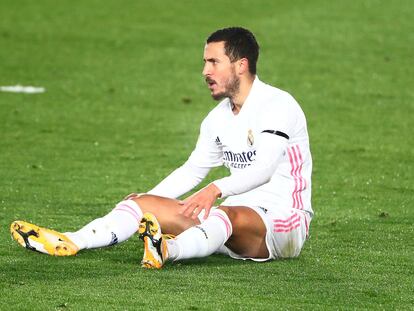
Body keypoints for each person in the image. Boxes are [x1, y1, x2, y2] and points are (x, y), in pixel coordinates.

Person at [10, 27, 313, 269]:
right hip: (231, 222)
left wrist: (214, 189)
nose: (205, 71)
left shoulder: (277, 105)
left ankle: (167, 250)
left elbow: (265, 169)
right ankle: (72, 241)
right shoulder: (217, 119)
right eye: (205, 62)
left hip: (285, 222)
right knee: (142, 203)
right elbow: (193, 170)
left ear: (241, 65)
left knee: (225, 214)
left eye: (213, 62)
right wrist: (152, 197)